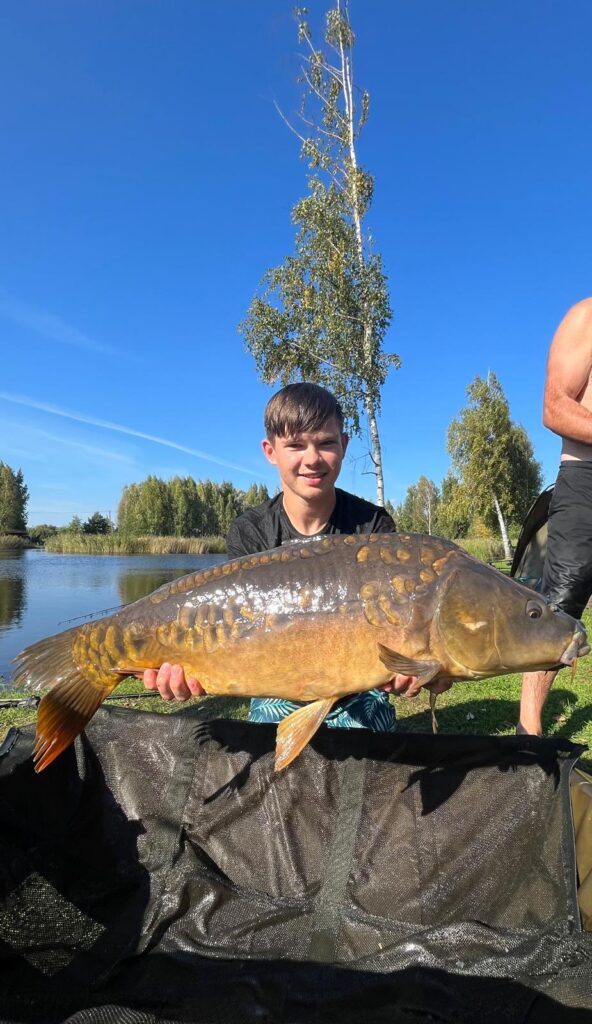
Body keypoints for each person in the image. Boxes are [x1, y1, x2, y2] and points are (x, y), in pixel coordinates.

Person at [143, 382, 443, 723]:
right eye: (296, 445)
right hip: (276, 685)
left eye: (326, 443)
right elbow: (233, 632)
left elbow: (401, 626)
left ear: (344, 445)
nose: (312, 459)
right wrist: (190, 667)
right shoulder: (251, 530)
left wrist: (422, 667)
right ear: (270, 451)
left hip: (360, 688)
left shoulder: (373, 525)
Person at [519, 298, 592, 735]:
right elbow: (555, 407)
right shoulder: (587, 317)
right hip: (586, 480)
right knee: (558, 609)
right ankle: (528, 734)